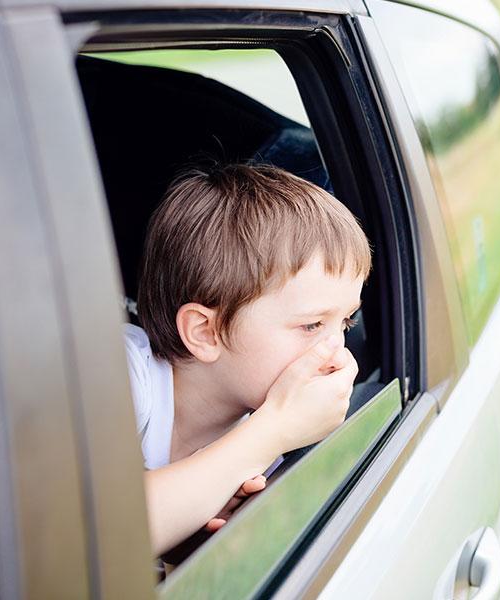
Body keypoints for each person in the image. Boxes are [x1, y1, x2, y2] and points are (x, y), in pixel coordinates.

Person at [125, 163, 371, 556]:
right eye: (311, 326)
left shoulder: (262, 436)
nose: (338, 354)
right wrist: (273, 430)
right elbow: (92, 537)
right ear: (206, 332)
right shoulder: (121, 377)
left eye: (345, 321)